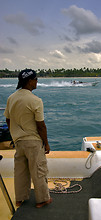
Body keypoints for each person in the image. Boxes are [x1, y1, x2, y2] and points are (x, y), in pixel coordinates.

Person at [4, 69, 52, 208]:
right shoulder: (36, 100)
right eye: (36, 79)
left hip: (18, 141)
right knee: (38, 170)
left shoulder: (11, 98)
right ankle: (42, 200)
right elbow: (41, 126)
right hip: (33, 142)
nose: (37, 81)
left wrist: (15, 134)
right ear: (30, 81)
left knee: (20, 171)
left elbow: (8, 119)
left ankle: (20, 199)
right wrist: (46, 144)